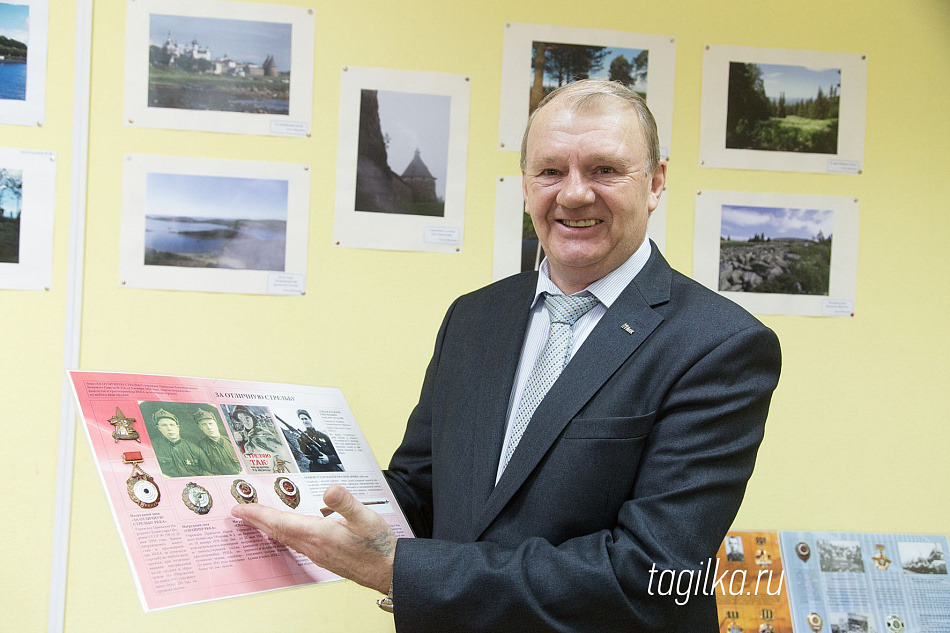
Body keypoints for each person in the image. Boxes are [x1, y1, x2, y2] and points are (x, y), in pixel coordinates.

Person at [233, 79, 781, 632]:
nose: (573, 194)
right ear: (525, 184)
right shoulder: (473, 319)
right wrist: (286, 497)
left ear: (656, 182)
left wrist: (403, 570)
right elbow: (420, 492)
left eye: (604, 170)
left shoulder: (719, 345)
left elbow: (651, 572)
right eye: (550, 171)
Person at [151, 408, 212, 478]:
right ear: (159, 428)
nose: (169, 428)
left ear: (177, 427)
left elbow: (208, 472)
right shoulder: (152, 448)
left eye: (172, 425)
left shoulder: (195, 449)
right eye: (164, 425)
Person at [193, 406, 241, 475]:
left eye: (210, 423)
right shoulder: (200, 447)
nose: (209, 427)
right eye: (204, 425)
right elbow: (201, 469)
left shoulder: (231, 441)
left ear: (216, 424)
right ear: (200, 427)